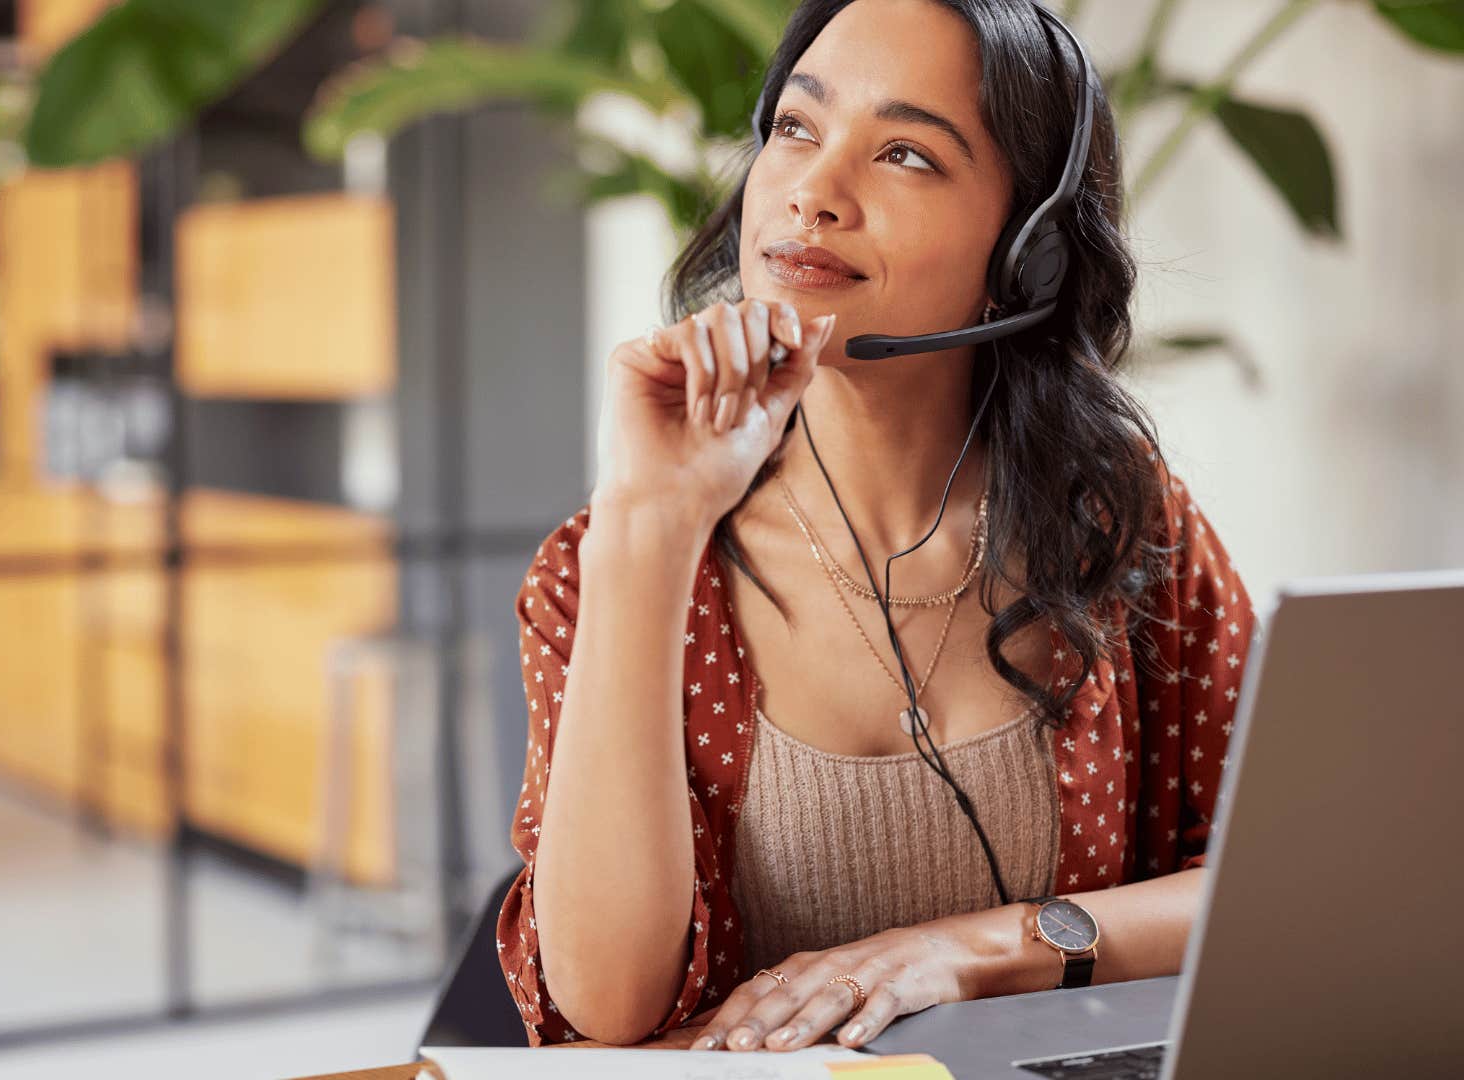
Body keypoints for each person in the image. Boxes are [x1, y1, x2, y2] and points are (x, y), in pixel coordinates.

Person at [498, 0, 1260, 1053]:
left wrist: (966, 949)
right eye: (797, 130)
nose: (813, 191)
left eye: (904, 152)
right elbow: (609, 1005)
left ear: (1028, 247)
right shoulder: (604, 566)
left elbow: (1273, 883)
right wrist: (650, 522)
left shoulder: (1124, 527)